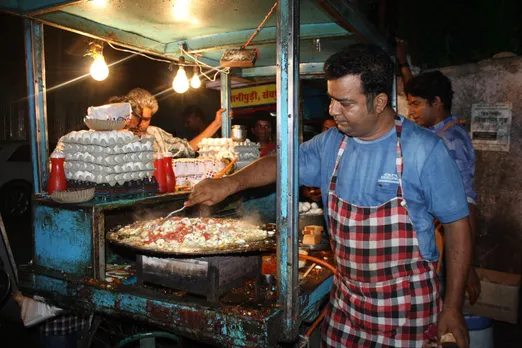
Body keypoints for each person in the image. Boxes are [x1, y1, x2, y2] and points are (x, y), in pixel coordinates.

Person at [186, 44, 472, 348]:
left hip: (406, 306)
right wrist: (230, 184)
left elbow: (458, 228)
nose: (332, 110)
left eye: (344, 102)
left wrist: (452, 307)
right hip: (348, 302)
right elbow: (281, 164)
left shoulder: (424, 150)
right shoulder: (331, 144)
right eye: (331, 99)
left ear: (379, 102)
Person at [397, 42, 482, 305]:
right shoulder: (435, 133)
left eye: (416, 105)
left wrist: (467, 265)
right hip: (436, 232)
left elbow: (464, 205)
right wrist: (403, 66)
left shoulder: (450, 142)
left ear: (437, 102)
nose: (410, 111)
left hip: (447, 236)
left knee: (438, 301)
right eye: (409, 104)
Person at [121, 88, 226, 157]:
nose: (140, 124)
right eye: (137, 117)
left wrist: (216, 123)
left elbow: (187, 148)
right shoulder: (116, 136)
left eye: (146, 119)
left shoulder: (155, 134)